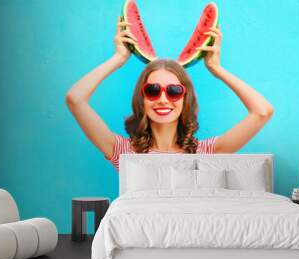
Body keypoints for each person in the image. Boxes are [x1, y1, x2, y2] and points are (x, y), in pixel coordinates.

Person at [66, 17, 274, 172]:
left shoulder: (206, 152)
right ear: (142, 98)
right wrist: (119, 58)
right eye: (153, 90)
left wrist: (216, 68)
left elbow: (262, 111)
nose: (163, 99)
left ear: (185, 98)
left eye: (174, 91)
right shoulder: (124, 151)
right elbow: (75, 99)